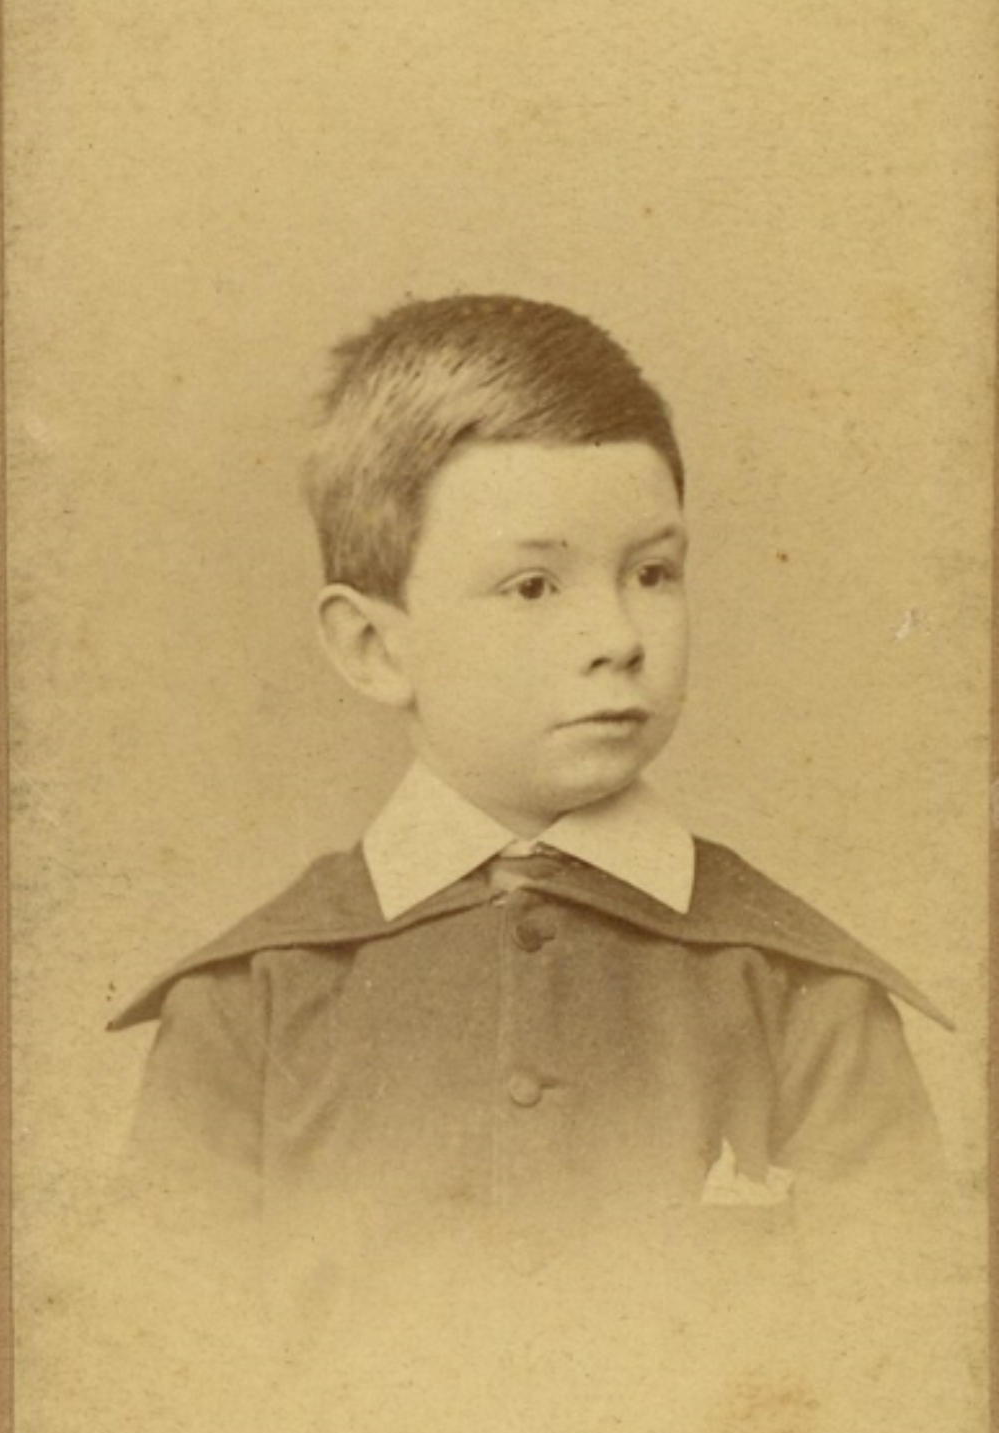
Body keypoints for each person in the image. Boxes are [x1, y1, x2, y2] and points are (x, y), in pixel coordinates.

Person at [113, 293, 944, 1241]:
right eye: (535, 586)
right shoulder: (245, 1009)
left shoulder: (806, 996)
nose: (618, 637)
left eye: (652, 573)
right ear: (373, 648)